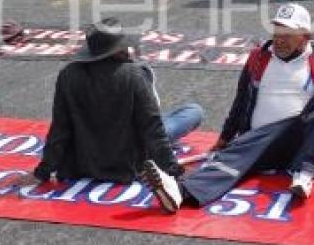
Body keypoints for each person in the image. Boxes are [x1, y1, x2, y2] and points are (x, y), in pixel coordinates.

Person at [140, 4, 314, 213]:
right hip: (261, 143)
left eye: (287, 36)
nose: (279, 41)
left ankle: (304, 175)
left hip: (303, 146)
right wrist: (225, 138)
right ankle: (180, 192)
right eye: (276, 35)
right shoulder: (258, 57)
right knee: (231, 156)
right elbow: (240, 101)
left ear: (305, 37)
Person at [30, 19, 200, 186]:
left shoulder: (68, 74)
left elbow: (60, 128)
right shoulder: (133, 75)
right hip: (126, 162)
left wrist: (43, 171)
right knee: (193, 112)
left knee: (172, 118)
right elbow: (153, 128)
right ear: (118, 50)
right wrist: (174, 170)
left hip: (83, 162)